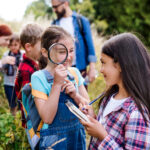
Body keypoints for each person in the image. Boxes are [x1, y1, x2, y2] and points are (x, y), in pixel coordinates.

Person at [80, 33, 150, 149]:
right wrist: (94, 119)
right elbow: (113, 130)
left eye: (104, 63)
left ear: (121, 65)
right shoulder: (110, 97)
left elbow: (106, 135)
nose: (101, 70)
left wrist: (102, 136)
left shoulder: (136, 113)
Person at [31, 26, 90, 149]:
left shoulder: (74, 73)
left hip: (77, 138)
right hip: (54, 142)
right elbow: (47, 118)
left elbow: (89, 112)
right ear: (45, 53)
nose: (69, 57)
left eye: (72, 50)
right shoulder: (38, 77)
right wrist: (56, 84)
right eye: (62, 52)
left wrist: (75, 95)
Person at [51, 0, 97, 87]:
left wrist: (92, 68)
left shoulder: (81, 21)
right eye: (53, 7)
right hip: (62, 69)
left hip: (80, 68)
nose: (54, 10)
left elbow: (90, 46)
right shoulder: (54, 24)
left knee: (81, 97)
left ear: (65, 3)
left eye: (56, 7)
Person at [15, 23, 43, 127]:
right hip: (33, 121)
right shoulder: (26, 70)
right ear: (28, 47)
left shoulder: (34, 65)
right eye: (41, 45)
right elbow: (29, 99)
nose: (43, 49)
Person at [2, 34, 24, 115]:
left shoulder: (22, 54)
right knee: (12, 103)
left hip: (20, 84)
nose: (13, 47)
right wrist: (6, 65)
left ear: (19, 45)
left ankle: (20, 119)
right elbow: (2, 69)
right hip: (8, 83)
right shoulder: (6, 55)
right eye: (11, 45)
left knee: (21, 103)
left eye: (15, 45)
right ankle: (13, 118)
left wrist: (18, 66)